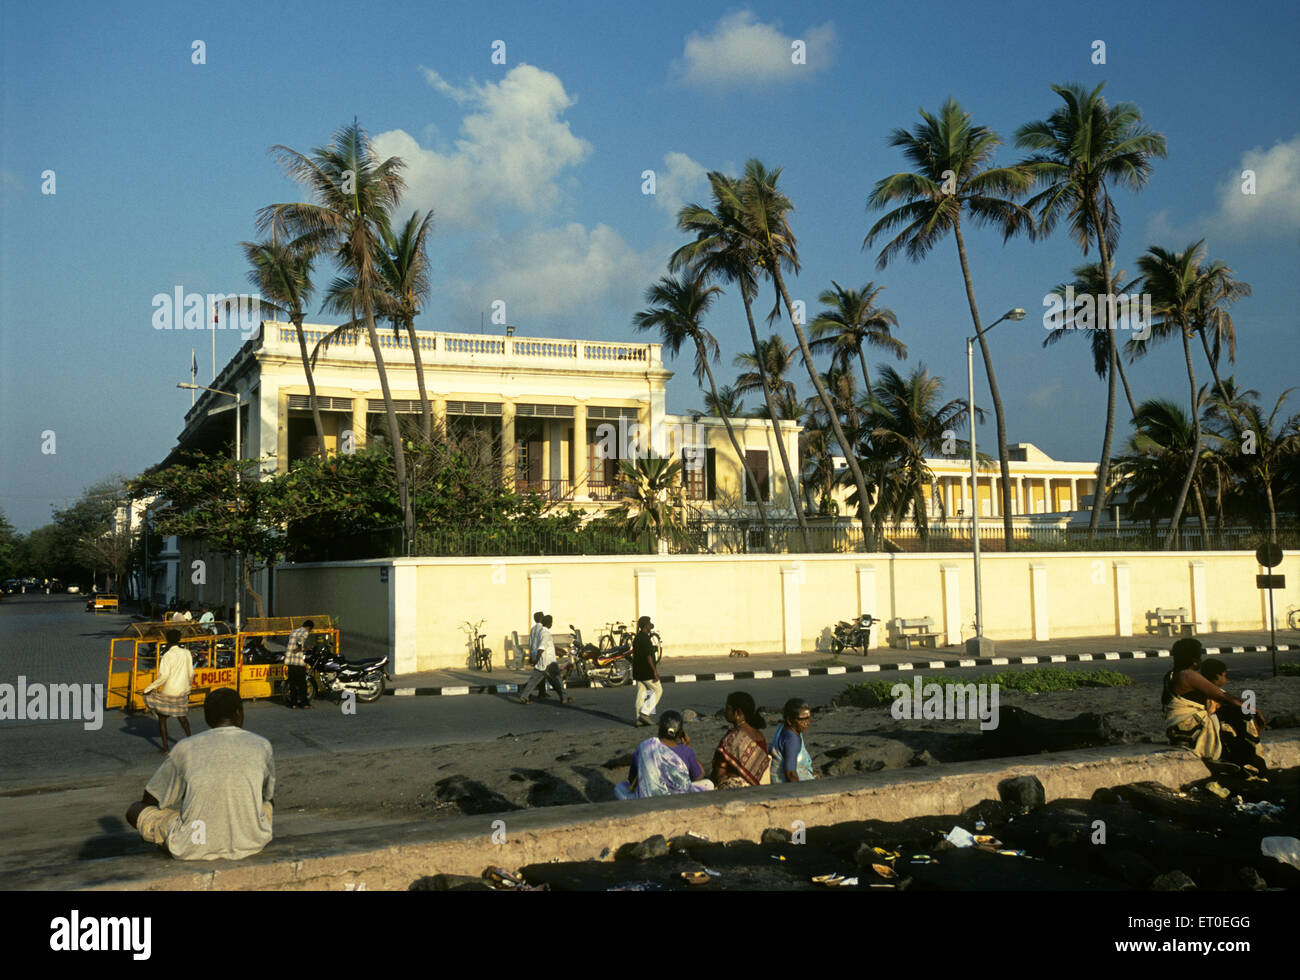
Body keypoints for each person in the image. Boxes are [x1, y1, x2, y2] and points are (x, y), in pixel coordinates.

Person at [125, 687, 275, 861]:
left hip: (194, 842)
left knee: (134, 810)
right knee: (267, 802)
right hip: (250, 841)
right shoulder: (262, 745)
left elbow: (150, 798)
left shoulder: (186, 747)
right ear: (239, 712)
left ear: (207, 717)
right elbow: (268, 797)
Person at [1162, 638, 1266, 763]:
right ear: (1194, 661)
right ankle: (1248, 756)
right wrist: (1255, 710)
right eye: (1200, 657)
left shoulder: (1171, 675)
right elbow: (1223, 697)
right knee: (1238, 712)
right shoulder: (1188, 675)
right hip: (1189, 730)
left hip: (1176, 730)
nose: (1201, 660)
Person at [615, 711, 714, 798]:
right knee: (708, 784)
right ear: (680, 733)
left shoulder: (645, 747)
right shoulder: (686, 751)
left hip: (648, 800)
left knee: (619, 788)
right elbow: (698, 776)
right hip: (680, 799)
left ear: (659, 728)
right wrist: (687, 747)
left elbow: (632, 778)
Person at [1199, 658, 1269, 773]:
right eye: (1224, 676)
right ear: (1217, 676)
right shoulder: (1211, 691)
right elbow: (1228, 701)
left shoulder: (1206, 688)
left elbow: (1231, 699)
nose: (1225, 679)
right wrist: (1255, 711)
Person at [141, 629, 194, 753]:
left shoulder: (167, 655)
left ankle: (165, 748)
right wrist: (188, 688)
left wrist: (148, 689)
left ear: (167, 640)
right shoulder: (187, 653)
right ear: (179, 639)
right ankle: (191, 742)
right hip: (182, 691)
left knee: (162, 719)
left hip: (169, 691)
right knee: (183, 718)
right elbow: (191, 673)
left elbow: (163, 676)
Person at [711, 691, 770, 789]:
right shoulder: (760, 735)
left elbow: (719, 774)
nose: (725, 711)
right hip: (759, 787)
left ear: (738, 712)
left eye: (728, 708)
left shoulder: (731, 738)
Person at [519, 615, 572, 704]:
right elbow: (541, 647)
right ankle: (564, 698)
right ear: (549, 624)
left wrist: (557, 651)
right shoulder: (545, 633)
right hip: (549, 661)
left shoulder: (540, 632)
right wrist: (536, 659)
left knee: (534, 680)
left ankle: (524, 696)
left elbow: (546, 645)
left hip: (541, 662)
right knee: (557, 679)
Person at [770, 698, 815, 783]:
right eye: (802, 719)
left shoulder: (783, 728)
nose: (807, 723)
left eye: (808, 718)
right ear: (789, 720)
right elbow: (790, 774)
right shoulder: (792, 739)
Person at [632, 615, 660, 727]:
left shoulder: (637, 637)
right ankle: (645, 713)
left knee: (641, 694)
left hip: (638, 670)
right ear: (645, 626)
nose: (651, 625)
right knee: (658, 690)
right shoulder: (645, 638)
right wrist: (654, 671)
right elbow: (649, 656)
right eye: (649, 624)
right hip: (646, 671)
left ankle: (639, 719)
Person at [284, 619, 314, 709]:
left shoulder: (293, 631)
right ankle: (304, 703)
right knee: (302, 684)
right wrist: (303, 648)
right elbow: (300, 641)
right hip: (298, 661)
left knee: (292, 683)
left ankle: (293, 704)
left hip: (289, 661)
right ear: (309, 628)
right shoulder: (305, 632)